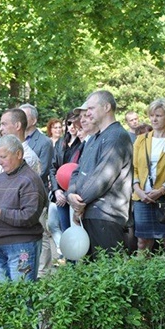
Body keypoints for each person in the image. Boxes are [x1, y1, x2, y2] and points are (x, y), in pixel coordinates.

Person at [67, 90, 133, 258]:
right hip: (89, 213)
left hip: (107, 215)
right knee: (92, 275)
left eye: (91, 108)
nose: (87, 113)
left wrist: (79, 202)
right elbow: (77, 171)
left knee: (107, 275)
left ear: (106, 107)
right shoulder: (94, 138)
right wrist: (71, 195)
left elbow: (102, 177)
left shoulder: (117, 136)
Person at [0, 135, 47, 281]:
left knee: (22, 297)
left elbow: (29, 215)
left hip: (21, 246)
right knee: (4, 299)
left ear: (18, 154)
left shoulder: (30, 179)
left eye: (3, 157)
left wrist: (0, 213)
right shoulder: (0, 178)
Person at [132, 98, 165, 253]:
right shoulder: (140, 140)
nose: (154, 119)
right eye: (152, 115)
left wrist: (162, 190)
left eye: (159, 115)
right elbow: (134, 168)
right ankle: (141, 275)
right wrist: (139, 191)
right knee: (143, 243)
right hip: (142, 198)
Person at [20, 104, 55, 276]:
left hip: (36, 195)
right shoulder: (14, 139)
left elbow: (42, 170)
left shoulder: (44, 142)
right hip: (18, 197)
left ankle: (43, 272)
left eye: (24, 116)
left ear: (33, 120)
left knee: (42, 233)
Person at [49, 111, 81, 232]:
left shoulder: (83, 143)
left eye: (74, 123)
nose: (72, 126)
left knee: (76, 229)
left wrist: (68, 193)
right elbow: (53, 168)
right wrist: (56, 190)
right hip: (60, 193)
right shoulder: (60, 142)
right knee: (64, 228)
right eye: (69, 123)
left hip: (75, 193)